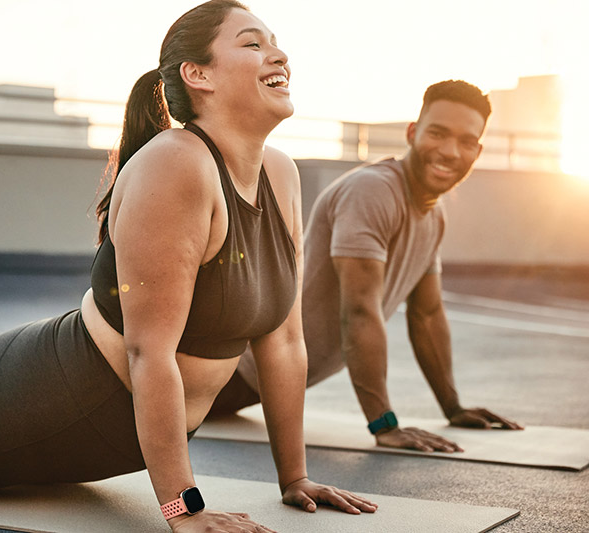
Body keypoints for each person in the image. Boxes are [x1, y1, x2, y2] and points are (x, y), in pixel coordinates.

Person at [0, 1, 377, 531]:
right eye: (253, 44)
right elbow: (148, 352)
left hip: (103, 436)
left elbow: (284, 341)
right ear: (198, 74)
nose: (279, 55)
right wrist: (183, 510)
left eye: (275, 43)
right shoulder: (178, 164)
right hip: (44, 402)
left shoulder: (280, 173)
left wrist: (294, 477)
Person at [210, 80, 523, 452]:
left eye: (466, 141)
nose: (450, 151)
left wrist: (452, 407)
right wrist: (384, 424)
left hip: (257, 381)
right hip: (224, 366)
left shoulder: (433, 214)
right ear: (412, 133)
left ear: (478, 150)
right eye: (437, 133)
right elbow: (359, 310)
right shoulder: (372, 192)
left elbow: (427, 314)